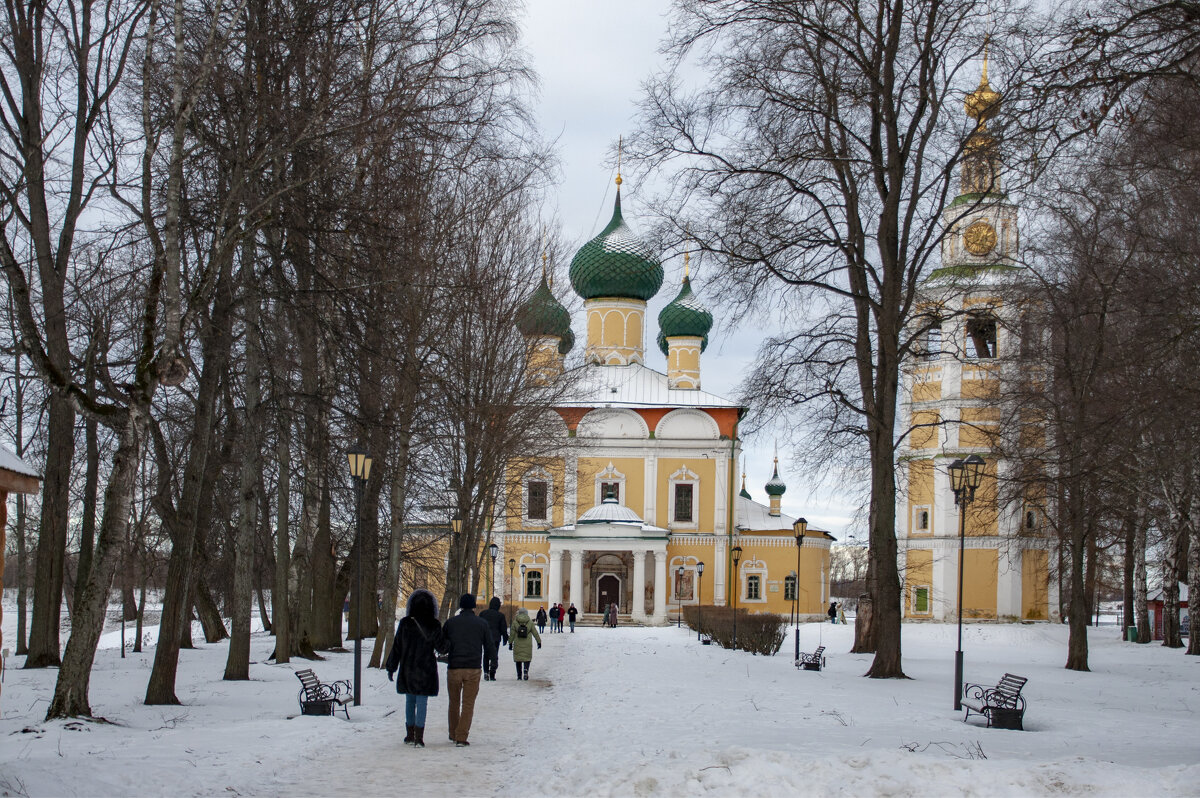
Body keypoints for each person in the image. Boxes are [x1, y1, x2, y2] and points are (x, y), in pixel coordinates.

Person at [385, 589, 442, 748]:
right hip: (426, 669)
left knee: (410, 701)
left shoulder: (405, 623)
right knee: (422, 701)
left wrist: (391, 667)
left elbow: (397, 647)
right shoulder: (433, 624)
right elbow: (442, 647)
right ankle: (419, 737)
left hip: (408, 668)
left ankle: (409, 734)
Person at [441, 593, 491, 747]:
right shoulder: (481, 623)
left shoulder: (451, 623)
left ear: (461, 606)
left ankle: (453, 732)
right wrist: (492, 662)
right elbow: (489, 645)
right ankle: (461, 737)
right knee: (468, 704)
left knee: (453, 702)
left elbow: (442, 645)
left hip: (454, 667)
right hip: (473, 667)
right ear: (474, 606)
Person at [478, 596, 508, 681]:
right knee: (494, 655)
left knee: (486, 655)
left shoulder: (483, 613)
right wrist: (505, 638)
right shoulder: (500, 616)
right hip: (495, 638)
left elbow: (479, 626)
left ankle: (486, 672)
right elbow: (503, 629)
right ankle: (492, 673)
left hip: (485, 638)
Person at [508, 606, 542, 680]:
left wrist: (510, 643)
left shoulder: (515, 622)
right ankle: (526, 670)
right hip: (527, 644)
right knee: (527, 658)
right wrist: (539, 642)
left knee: (518, 659)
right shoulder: (530, 622)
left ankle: (519, 675)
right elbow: (535, 633)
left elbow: (512, 634)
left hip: (518, 644)